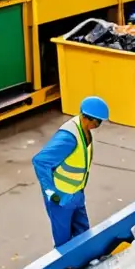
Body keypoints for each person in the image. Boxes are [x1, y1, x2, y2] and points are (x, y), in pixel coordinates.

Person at [32, 95, 109, 247]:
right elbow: (40, 162)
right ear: (86, 118)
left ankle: (84, 263)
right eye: (98, 121)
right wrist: (51, 193)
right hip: (61, 198)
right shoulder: (68, 138)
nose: (99, 125)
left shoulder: (85, 131)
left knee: (84, 233)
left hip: (77, 193)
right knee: (64, 243)